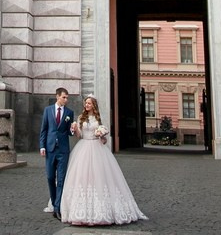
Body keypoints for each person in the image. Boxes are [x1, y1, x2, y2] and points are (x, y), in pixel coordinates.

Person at [60, 95, 147, 226]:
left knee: (100, 176)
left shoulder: (98, 119)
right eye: (86, 103)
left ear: (94, 105)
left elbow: (103, 138)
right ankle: (79, 211)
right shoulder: (80, 118)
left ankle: (103, 210)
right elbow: (79, 136)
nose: (87, 105)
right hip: (83, 147)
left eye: (89, 103)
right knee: (81, 177)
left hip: (97, 148)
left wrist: (101, 135)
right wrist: (75, 128)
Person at [39, 87, 74, 218]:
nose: (66, 100)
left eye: (67, 97)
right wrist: (42, 146)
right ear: (57, 96)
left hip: (63, 150)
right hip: (50, 148)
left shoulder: (69, 112)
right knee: (50, 177)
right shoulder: (48, 110)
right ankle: (54, 202)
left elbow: (70, 132)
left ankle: (58, 208)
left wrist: (72, 129)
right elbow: (44, 129)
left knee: (61, 179)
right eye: (64, 97)